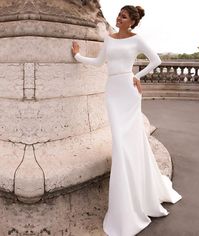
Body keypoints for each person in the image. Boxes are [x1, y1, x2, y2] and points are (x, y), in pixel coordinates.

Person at [71, 5, 182, 236]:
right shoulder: (109, 40)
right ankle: (126, 201)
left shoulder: (137, 39)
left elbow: (156, 60)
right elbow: (98, 62)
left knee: (131, 143)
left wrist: (135, 76)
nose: (119, 17)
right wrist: (78, 55)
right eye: (119, 14)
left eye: (124, 16)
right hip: (112, 91)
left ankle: (138, 197)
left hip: (129, 92)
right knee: (120, 142)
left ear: (131, 21)